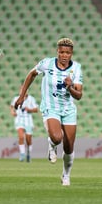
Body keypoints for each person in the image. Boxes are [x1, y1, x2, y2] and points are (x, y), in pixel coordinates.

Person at [14, 38, 83, 186]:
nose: (64, 55)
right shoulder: (47, 63)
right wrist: (21, 96)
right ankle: (52, 144)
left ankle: (66, 175)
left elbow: (79, 95)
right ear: (57, 51)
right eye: (62, 52)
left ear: (71, 54)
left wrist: (70, 87)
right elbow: (31, 74)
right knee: (57, 138)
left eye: (68, 53)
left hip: (68, 109)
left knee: (69, 146)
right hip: (50, 107)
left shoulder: (76, 68)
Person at [10, 92, 38, 162]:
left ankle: (28, 154)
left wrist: (29, 110)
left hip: (28, 120)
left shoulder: (31, 99)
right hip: (19, 119)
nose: (22, 91)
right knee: (21, 136)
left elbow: (36, 109)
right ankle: (22, 154)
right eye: (21, 89)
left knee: (28, 139)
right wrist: (12, 112)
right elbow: (12, 106)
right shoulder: (16, 98)